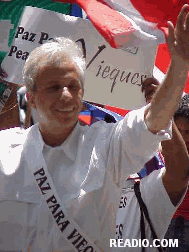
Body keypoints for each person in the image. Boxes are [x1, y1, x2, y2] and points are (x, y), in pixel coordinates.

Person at [1, 5, 189, 252]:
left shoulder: (107, 146)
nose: (65, 95)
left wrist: (179, 67)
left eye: (73, 86)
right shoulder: (5, 149)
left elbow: (153, 120)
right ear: (32, 97)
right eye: (53, 87)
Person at [164, 94, 189, 252]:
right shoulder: (162, 152)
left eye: (187, 131)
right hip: (167, 223)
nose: (182, 137)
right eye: (178, 130)